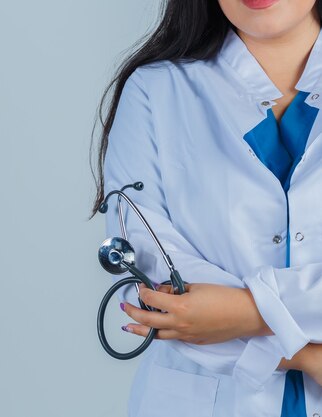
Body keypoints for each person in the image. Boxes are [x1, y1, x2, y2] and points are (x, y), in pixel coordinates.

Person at [90, 1, 322, 416]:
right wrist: (309, 357)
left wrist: (239, 314)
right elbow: (158, 295)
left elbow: (199, 314)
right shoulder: (153, 92)